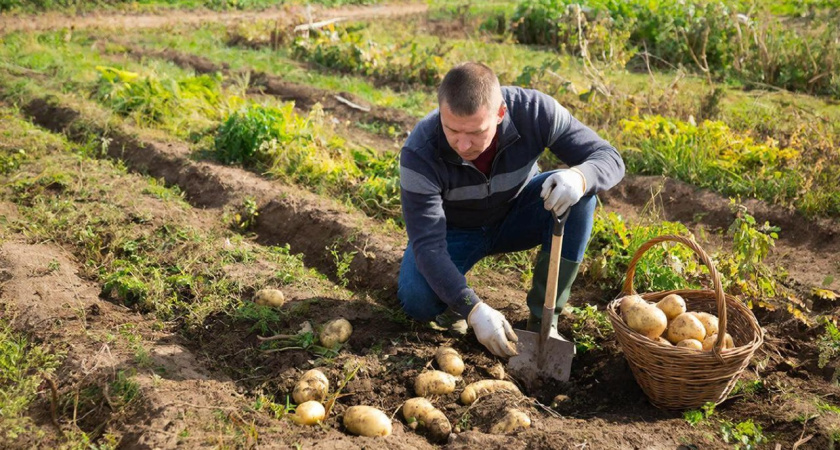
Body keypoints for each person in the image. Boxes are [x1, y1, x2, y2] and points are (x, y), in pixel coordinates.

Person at [397, 62, 625, 357]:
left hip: (518, 212)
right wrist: (472, 308)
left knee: (580, 198)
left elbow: (609, 157)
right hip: (455, 230)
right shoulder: (420, 151)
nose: (463, 145)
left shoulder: (535, 112)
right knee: (417, 299)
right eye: (452, 130)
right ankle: (452, 309)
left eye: (476, 132)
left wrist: (581, 177)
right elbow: (427, 246)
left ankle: (543, 323)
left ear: (500, 113)